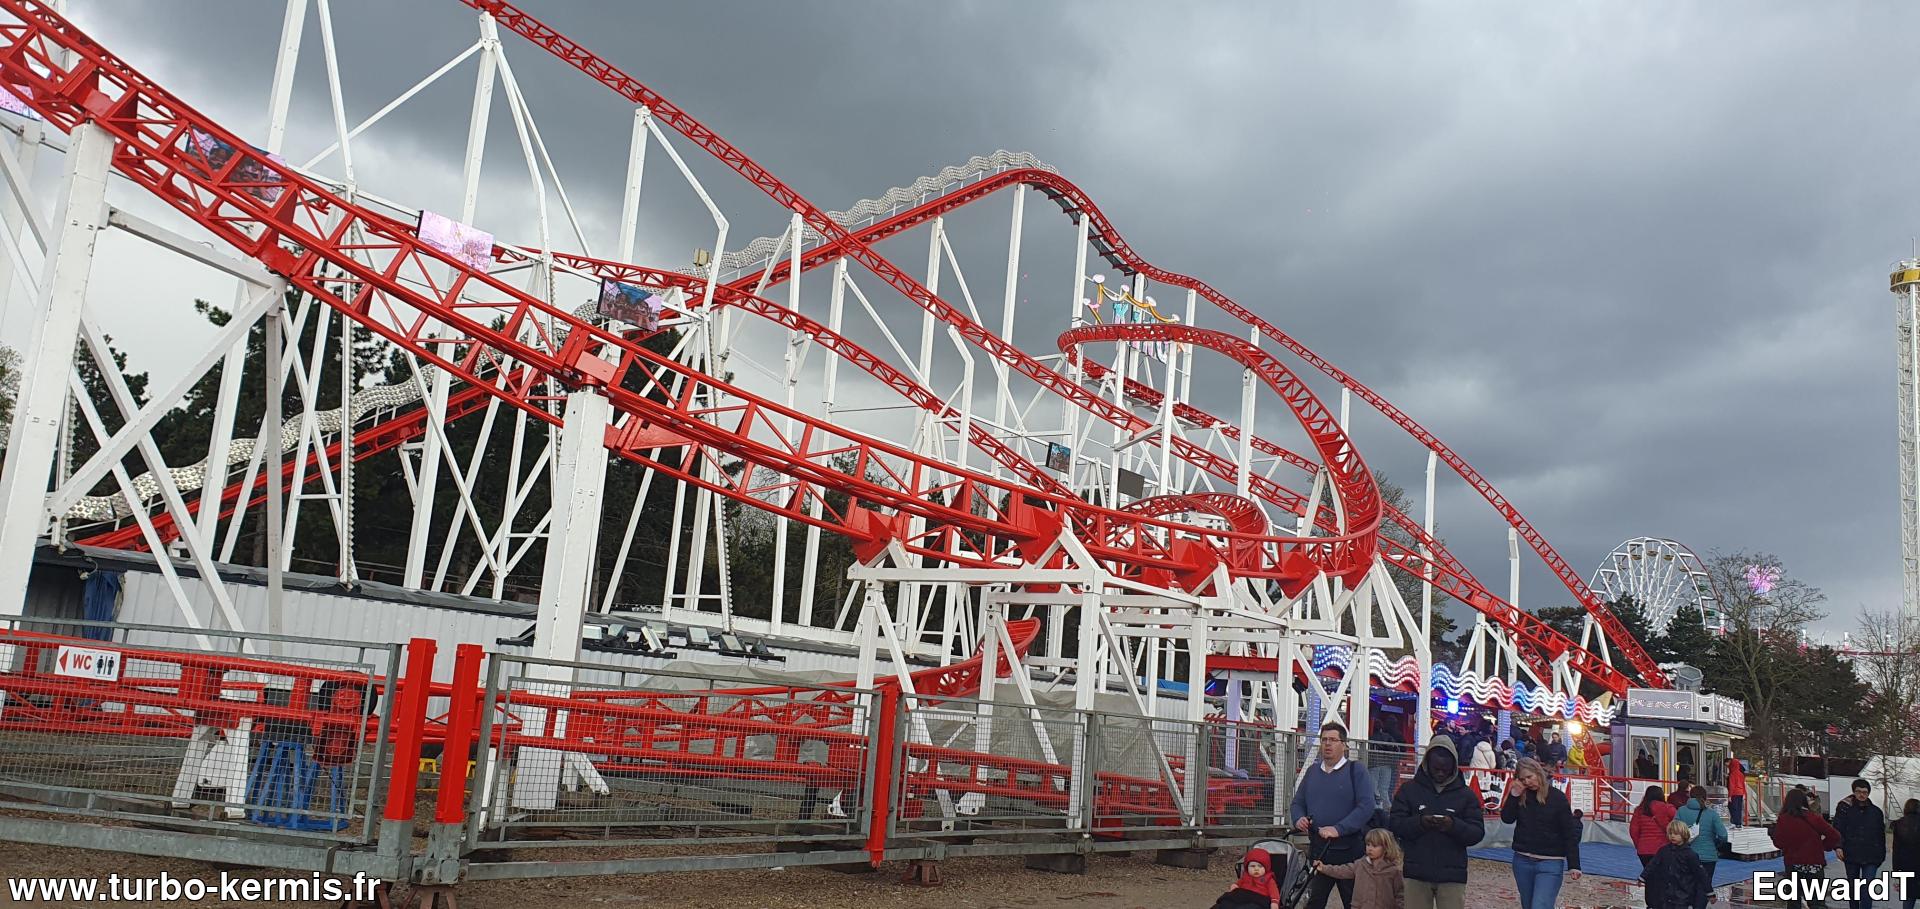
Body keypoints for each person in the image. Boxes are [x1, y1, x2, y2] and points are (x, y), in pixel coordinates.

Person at [1389, 735, 1484, 909]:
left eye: (1445, 769)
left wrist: (1453, 826)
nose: (1440, 773)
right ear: (1427, 764)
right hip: (1416, 871)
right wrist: (1420, 823)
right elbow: (1395, 824)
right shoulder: (1409, 790)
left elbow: (1477, 832)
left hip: (1452, 874)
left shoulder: (1466, 795)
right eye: (1436, 769)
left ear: (1453, 767)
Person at [1290, 723, 1377, 909]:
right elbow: (1297, 802)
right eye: (1324, 740)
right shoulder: (1312, 772)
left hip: (1349, 852)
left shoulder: (1356, 770)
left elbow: (1366, 806)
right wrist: (1298, 818)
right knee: (1314, 902)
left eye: (1333, 740)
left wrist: (1339, 829)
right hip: (1319, 851)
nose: (1327, 744)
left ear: (1344, 744)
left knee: (1354, 903)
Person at [1500, 757, 1582, 909]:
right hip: (1522, 859)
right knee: (1528, 905)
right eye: (1523, 779)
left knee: (1540, 905)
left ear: (1538, 773)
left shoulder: (1558, 798)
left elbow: (1569, 832)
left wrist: (1574, 864)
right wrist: (1514, 795)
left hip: (1550, 861)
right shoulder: (1520, 796)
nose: (1527, 782)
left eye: (1529, 777)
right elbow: (1507, 818)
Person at [1770, 788, 1840, 909]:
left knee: (1793, 901)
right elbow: (1835, 835)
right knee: (1816, 902)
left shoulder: (1783, 819)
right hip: (1814, 865)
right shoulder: (1813, 818)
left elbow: (1779, 843)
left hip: (1793, 865)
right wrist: (1824, 846)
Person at [1313, 828, 1406, 909]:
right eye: (1368, 844)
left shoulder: (1394, 870)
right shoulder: (1360, 864)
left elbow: (1400, 894)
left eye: (1374, 846)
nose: (1370, 848)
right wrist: (1324, 868)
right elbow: (1342, 870)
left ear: (1385, 847)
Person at [1833, 778, 1887, 909]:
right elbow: (1838, 828)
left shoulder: (1876, 812)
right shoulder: (1845, 809)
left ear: (1868, 793)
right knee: (1853, 887)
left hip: (1871, 855)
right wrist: (1838, 846)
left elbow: (1881, 834)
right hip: (1851, 853)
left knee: (1867, 887)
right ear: (1854, 792)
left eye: (1864, 792)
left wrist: (1881, 854)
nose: (1861, 795)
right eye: (1858, 792)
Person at [1677, 785, 1728, 909]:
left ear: (1690, 796)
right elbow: (1723, 835)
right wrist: (1715, 844)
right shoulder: (1712, 814)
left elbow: (1674, 830)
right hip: (1707, 856)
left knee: (1686, 884)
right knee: (1703, 885)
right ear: (1705, 798)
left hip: (1685, 854)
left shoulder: (1681, 811)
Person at [1644, 819, 1708, 909]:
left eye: (1676, 834)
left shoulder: (1690, 854)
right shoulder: (1664, 850)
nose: (1672, 836)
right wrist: (1643, 876)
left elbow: (1700, 873)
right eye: (1670, 834)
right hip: (1666, 893)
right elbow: (1653, 863)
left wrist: (1709, 891)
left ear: (1683, 834)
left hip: (1683, 894)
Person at [1211, 845, 1285, 909]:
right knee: (1225, 902)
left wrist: (1274, 902)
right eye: (1252, 866)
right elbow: (1239, 883)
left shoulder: (1269, 880)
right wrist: (1235, 885)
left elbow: (1274, 892)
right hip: (1243, 896)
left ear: (1266, 868)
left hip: (1259, 899)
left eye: (1260, 866)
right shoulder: (1246, 876)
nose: (1256, 869)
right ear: (1247, 867)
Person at [1631, 785, 1680, 871]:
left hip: (1644, 849)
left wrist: (1639, 845)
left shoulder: (1639, 810)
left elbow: (1633, 831)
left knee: (1649, 875)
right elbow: (1678, 824)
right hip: (1664, 848)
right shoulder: (1668, 808)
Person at [1890, 798, 1920, 909]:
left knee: (1908, 898)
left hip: (1906, 867)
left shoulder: (1898, 824)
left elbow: (1896, 850)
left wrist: (1896, 872)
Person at [1725, 757, 1746, 826]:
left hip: (1734, 793)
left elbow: (1732, 786)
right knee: (1739, 808)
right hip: (1740, 793)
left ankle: (1734, 822)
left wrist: (1729, 796)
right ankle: (1739, 822)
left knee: (1732, 807)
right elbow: (1743, 784)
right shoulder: (1741, 774)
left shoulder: (1732, 774)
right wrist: (1744, 793)